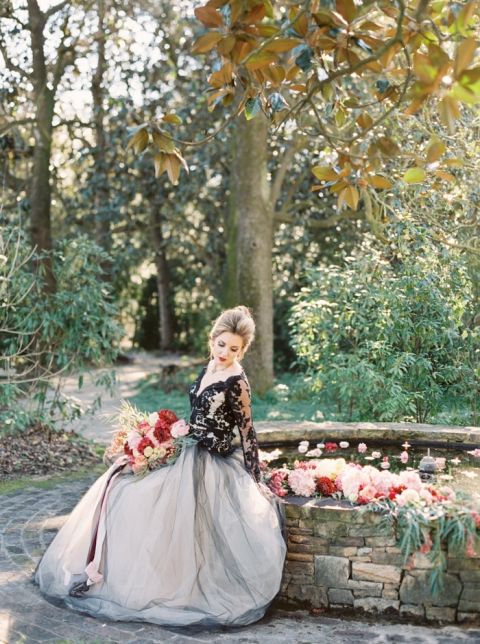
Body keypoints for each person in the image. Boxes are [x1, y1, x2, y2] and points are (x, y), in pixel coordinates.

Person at [35, 306, 286, 627]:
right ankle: (127, 577)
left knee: (191, 527)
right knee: (131, 492)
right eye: (221, 345)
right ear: (213, 340)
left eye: (234, 349)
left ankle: (184, 590)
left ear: (243, 350)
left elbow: (248, 431)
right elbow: (197, 411)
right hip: (188, 449)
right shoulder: (210, 365)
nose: (225, 353)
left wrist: (256, 477)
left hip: (214, 462)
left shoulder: (237, 381)